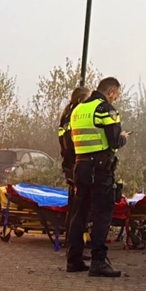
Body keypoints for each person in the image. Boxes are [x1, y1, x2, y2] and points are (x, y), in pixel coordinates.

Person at [66, 77, 128, 277]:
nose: (116, 98)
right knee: (102, 213)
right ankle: (98, 262)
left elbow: (69, 142)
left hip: (80, 165)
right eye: (117, 94)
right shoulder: (105, 110)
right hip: (100, 168)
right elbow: (114, 142)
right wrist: (123, 138)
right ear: (111, 91)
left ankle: (74, 259)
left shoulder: (77, 110)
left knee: (79, 213)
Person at [58, 86, 90, 248]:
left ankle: (72, 242)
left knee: (74, 206)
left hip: (70, 164)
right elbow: (71, 143)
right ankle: (74, 244)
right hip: (75, 164)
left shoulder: (66, 116)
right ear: (81, 100)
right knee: (78, 208)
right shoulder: (74, 117)